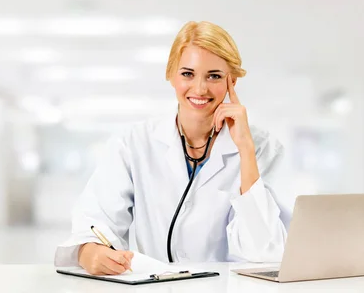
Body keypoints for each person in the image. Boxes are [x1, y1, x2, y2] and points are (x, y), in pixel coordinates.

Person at [54, 21, 291, 275]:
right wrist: (89, 251)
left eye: (214, 76)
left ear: (231, 81)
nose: (200, 88)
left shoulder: (264, 148)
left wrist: (245, 150)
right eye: (187, 74)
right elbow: (96, 219)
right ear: (170, 75)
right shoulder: (134, 143)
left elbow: (267, 254)